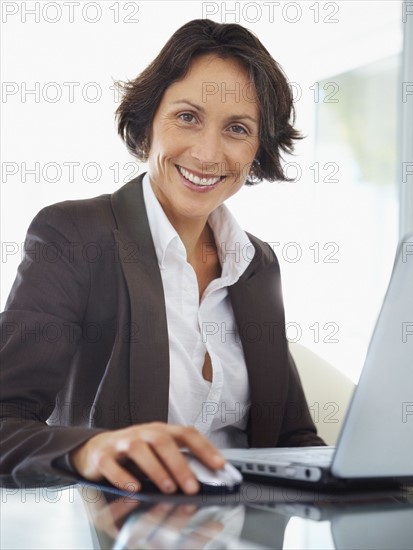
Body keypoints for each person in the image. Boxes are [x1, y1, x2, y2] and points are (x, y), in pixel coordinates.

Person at [0, 19, 324, 495]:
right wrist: (88, 450)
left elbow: (293, 437)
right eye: (188, 117)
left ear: (258, 150)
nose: (208, 153)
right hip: (124, 529)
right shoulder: (74, 236)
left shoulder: (256, 263)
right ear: (149, 121)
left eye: (237, 129)